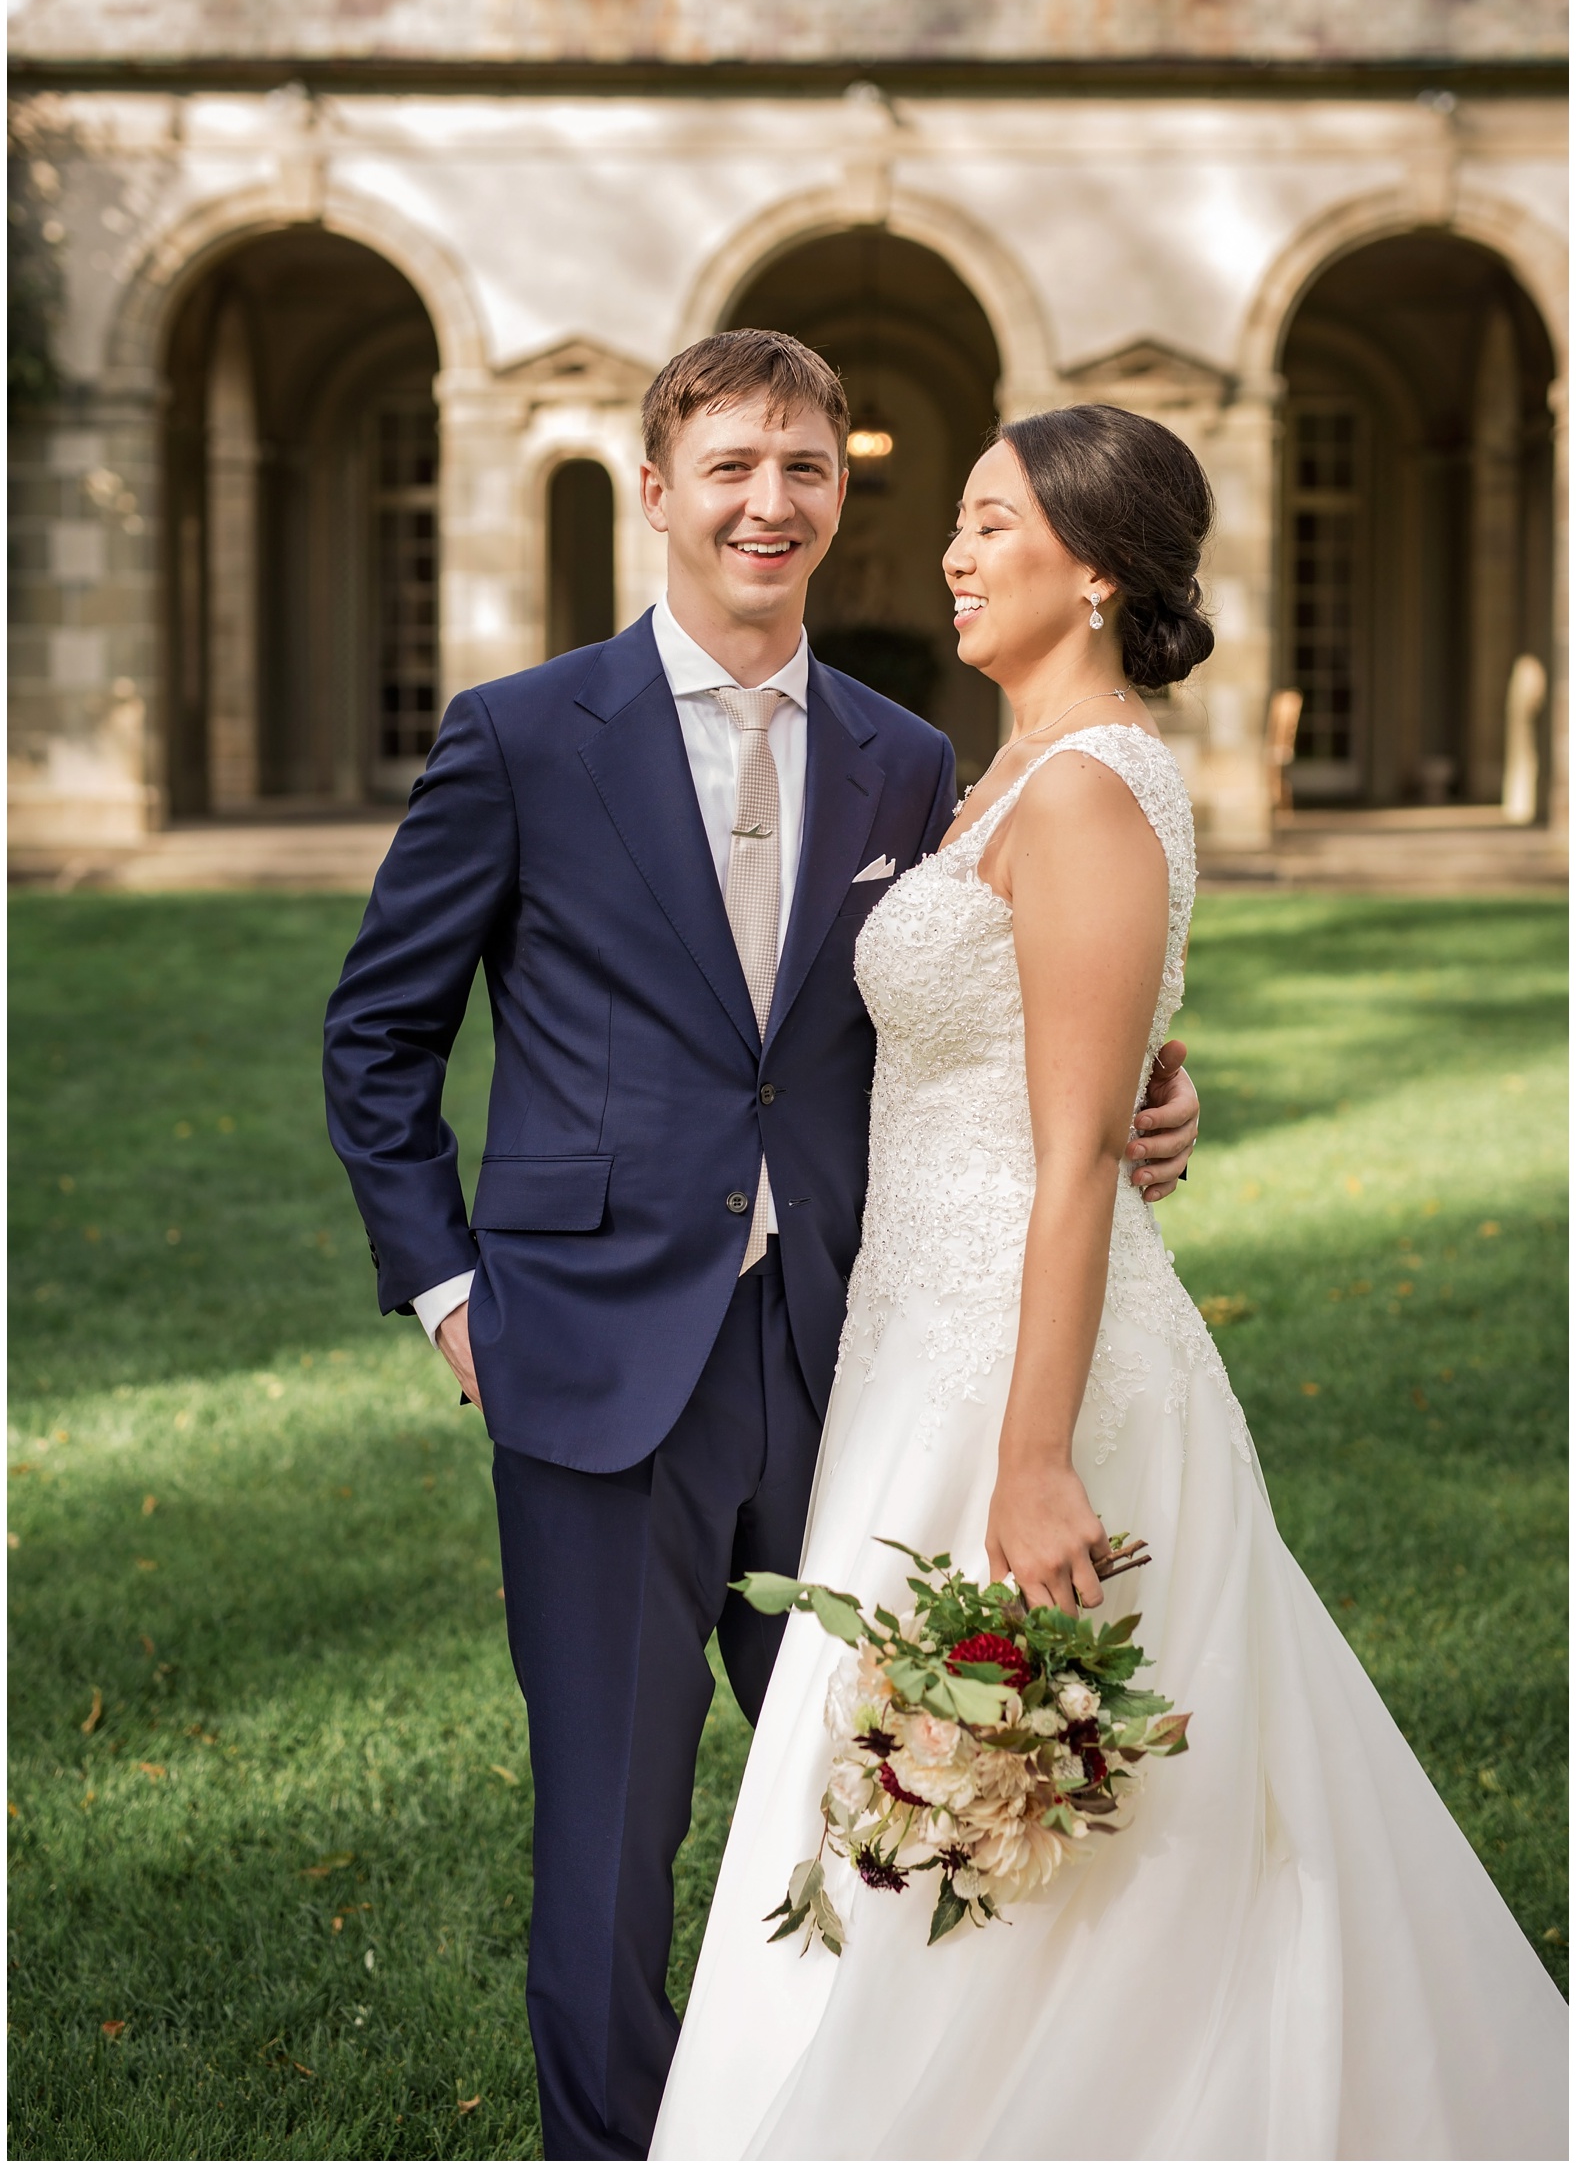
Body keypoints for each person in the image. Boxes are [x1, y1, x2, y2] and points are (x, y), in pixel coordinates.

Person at [651, 404, 1567, 2162]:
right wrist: (1162, 1058)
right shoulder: (1006, 776)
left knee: (1074, 1808)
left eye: (996, 524)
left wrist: (1036, 1452)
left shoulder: (1084, 788)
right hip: (919, 1335)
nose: (955, 548)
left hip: (1025, 1358)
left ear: (1093, 573)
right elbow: (1066, 1037)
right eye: (965, 521)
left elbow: (1071, 1153)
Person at [321, 334, 1200, 2162]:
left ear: (837, 494)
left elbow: (991, 1005)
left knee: (902, 1798)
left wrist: (1153, 1088)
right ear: (656, 489)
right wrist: (449, 1280)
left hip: (855, 1360)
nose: (768, 501)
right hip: (589, 1360)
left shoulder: (907, 760)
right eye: (729, 466)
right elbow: (377, 1037)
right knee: (611, 1852)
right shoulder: (518, 736)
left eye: (804, 467)